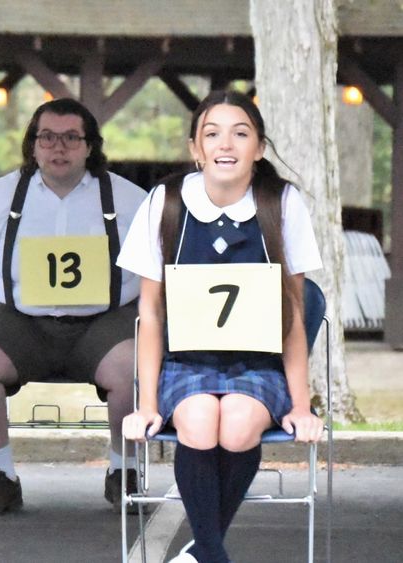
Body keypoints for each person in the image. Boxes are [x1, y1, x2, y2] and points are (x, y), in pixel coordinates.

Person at [118, 90, 325, 563]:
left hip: (258, 365)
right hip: (184, 362)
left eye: (240, 133)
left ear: (259, 147)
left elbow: (294, 309)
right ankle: (211, 554)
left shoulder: (282, 203)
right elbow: (149, 313)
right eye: (212, 134)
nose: (225, 144)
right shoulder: (166, 202)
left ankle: (201, 553)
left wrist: (301, 405)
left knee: (234, 427)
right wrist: (147, 403)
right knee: (196, 421)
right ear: (195, 148)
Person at [0, 98, 147, 516]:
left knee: (138, 360)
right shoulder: (0, 195)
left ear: (90, 145)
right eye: (48, 137)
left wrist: (147, 324)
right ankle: (0, 477)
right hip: (20, 322)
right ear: (32, 145)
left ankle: (123, 472)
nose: (59, 147)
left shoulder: (130, 199)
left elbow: (157, 273)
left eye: (71, 137)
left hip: (105, 322)